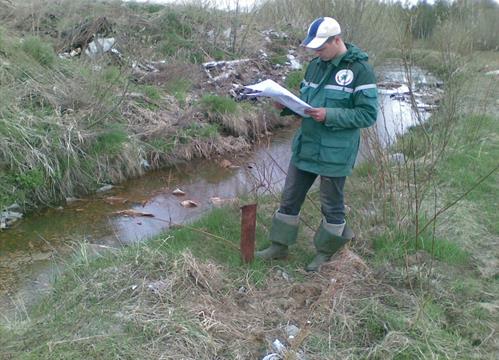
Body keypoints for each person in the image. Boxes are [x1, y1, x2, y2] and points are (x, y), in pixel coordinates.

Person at [256, 17, 378, 272]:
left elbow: (367, 115)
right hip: (307, 145)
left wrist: (330, 114)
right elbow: (306, 103)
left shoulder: (360, 70)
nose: (317, 53)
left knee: (331, 205)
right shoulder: (314, 66)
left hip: (336, 151)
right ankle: (279, 246)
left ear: (337, 40)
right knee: (289, 199)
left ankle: (326, 252)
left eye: (321, 48)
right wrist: (286, 105)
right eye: (314, 49)